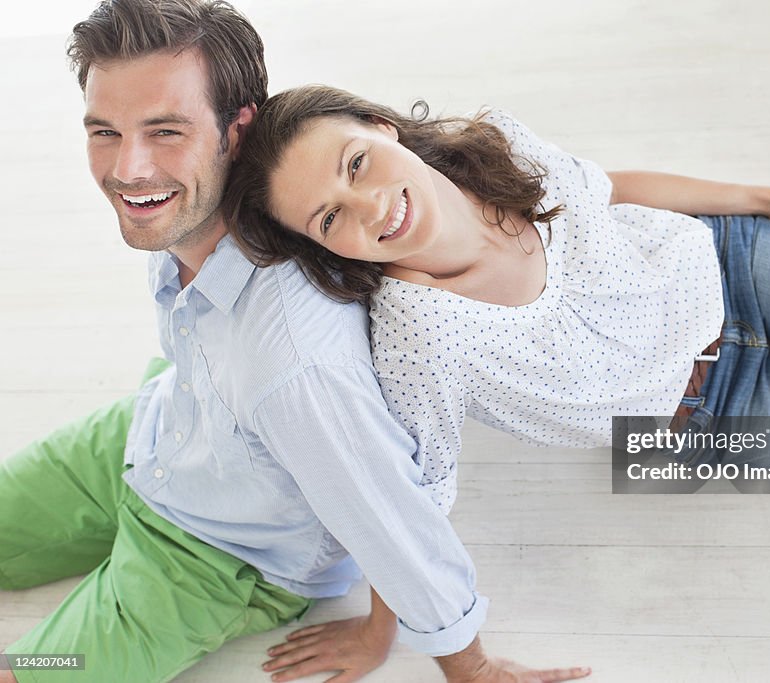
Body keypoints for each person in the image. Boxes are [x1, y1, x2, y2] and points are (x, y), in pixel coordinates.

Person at [0, 2, 590, 683]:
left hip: (215, 557)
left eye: (165, 131)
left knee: (32, 671)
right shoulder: (184, 211)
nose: (128, 168)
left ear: (236, 129)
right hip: (156, 433)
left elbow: (389, 515)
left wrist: (466, 662)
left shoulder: (292, 361)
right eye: (106, 131)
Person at [225, 86, 770, 476]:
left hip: (730, 268)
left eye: (356, 163)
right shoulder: (417, 330)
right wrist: (409, 631)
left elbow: (604, 188)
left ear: (381, 128)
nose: (368, 206)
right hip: (693, 427)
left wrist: (764, 197)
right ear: (325, 248)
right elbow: (417, 479)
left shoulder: (493, 147)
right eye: (329, 219)